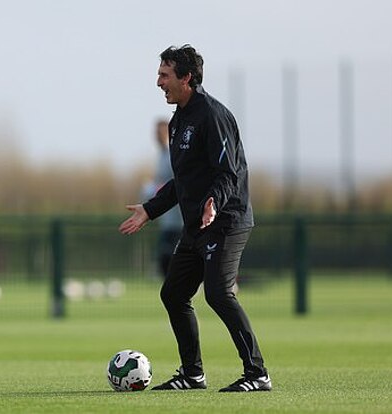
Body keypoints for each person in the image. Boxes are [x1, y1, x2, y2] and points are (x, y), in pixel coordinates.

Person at [119, 45, 271, 392]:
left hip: (226, 221)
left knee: (218, 294)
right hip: (196, 225)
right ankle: (192, 374)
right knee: (173, 294)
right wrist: (149, 210)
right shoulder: (178, 121)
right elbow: (181, 181)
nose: (159, 82)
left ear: (186, 78)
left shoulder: (213, 116)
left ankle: (257, 374)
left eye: (165, 75)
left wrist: (213, 202)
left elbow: (228, 173)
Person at [142, 120, 182, 279]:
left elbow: (177, 182)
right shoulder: (161, 155)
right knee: (165, 259)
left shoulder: (174, 153)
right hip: (167, 218)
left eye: (159, 132)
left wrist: (155, 189)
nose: (156, 136)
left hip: (180, 218)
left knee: (175, 259)